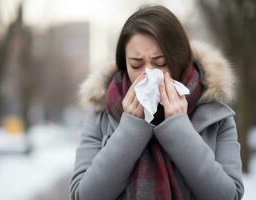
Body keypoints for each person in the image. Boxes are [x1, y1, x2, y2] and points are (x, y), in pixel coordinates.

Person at [69, 5, 244, 200]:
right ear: (124, 63)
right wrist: (130, 130)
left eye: (160, 63)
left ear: (179, 59)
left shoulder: (215, 116)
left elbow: (229, 196)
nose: (148, 73)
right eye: (136, 64)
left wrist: (179, 129)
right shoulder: (102, 113)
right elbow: (83, 196)